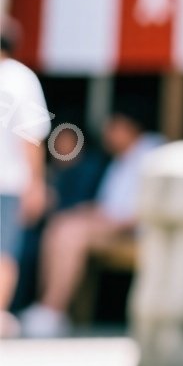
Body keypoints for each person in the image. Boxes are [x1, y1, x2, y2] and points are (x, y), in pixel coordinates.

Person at [20, 101, 163, 338]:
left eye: (113, 127)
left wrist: (94, 219)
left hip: (135, 229)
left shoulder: (151, 151)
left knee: (70, 232)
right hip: (113, 223)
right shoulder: (121, 159)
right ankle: (47, 309)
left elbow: (137, 211)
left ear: (129, 127)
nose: (108, 134)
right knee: (61, 224)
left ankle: (53, 309)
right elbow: (108, 205)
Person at [0, 18, 50, 338]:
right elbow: (32, 136)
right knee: (4, 252)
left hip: (9, 180)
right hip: (10, 180)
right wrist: (37, 183)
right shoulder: (20, 78)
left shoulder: (17, 78)